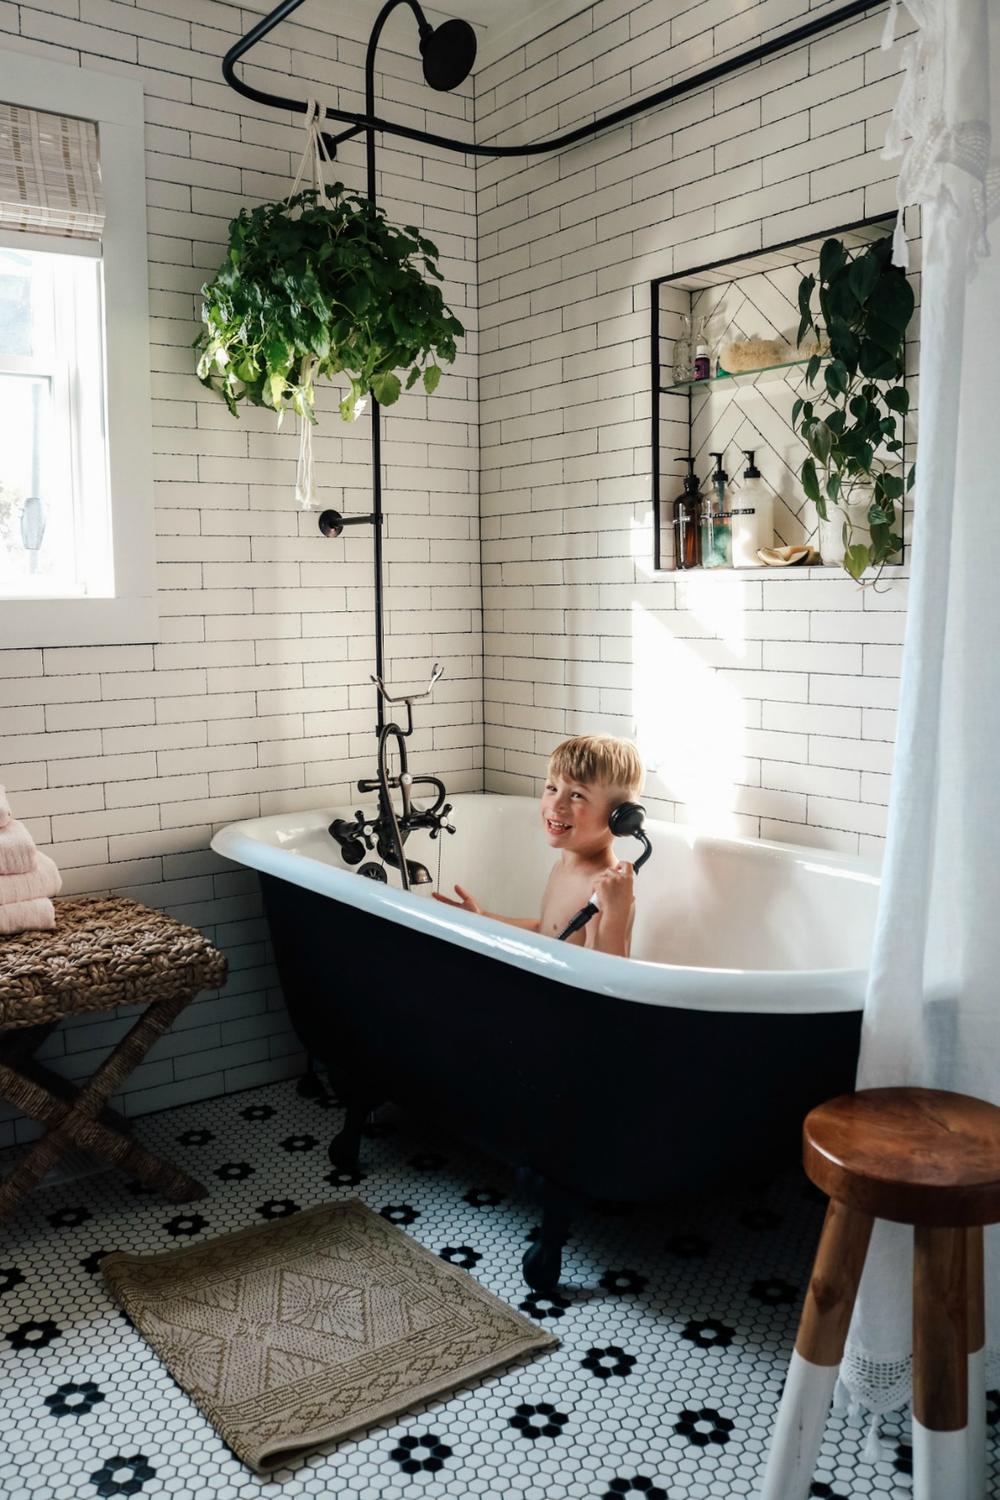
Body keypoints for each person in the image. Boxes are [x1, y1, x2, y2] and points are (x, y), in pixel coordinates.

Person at [432, 734, 644, 957]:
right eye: (552, 788)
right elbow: (547, 932)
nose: (557, 804)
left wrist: (614, 914)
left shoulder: (608, 889)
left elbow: (607, 975)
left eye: (577, 795)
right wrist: (481, 917)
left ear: (620, 819)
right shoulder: (561, 867)